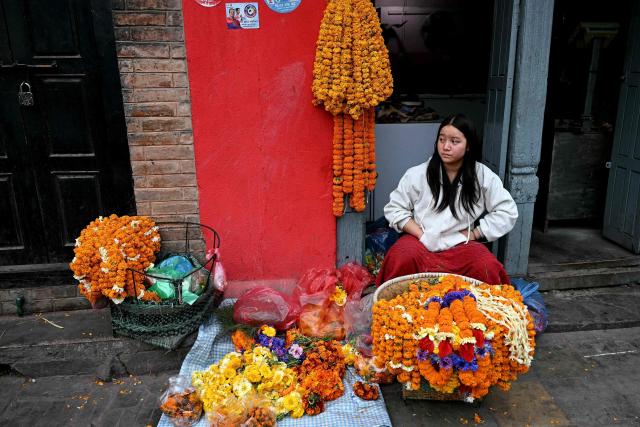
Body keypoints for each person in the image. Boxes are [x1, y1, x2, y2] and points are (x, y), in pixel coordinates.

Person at [376, 113, 518, 287]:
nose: (446, 147)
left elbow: (508, 211)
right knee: (401, 256)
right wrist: (421, 234)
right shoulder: (418, 173)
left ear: (468, 146)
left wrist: (475, 234)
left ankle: (480, 309)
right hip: (420, 241)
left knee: (486, 266)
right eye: (442, 140)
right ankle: (392, 306)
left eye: (454, 141)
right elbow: (394, 209)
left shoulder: (482, 176)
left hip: (460, 244)